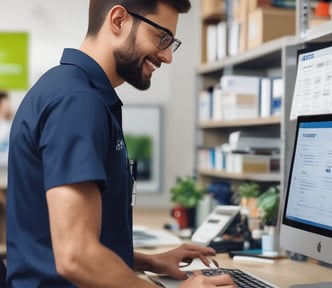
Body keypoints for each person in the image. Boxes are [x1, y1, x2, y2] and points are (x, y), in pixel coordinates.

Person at [6, 1, 236, 287]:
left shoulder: (72, 90)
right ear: (118, 20)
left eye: (171, 42)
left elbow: (64, 238)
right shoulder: (78, 103)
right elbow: (76, 257)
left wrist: (150, 261)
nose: (167, 56)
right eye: (161, 37)